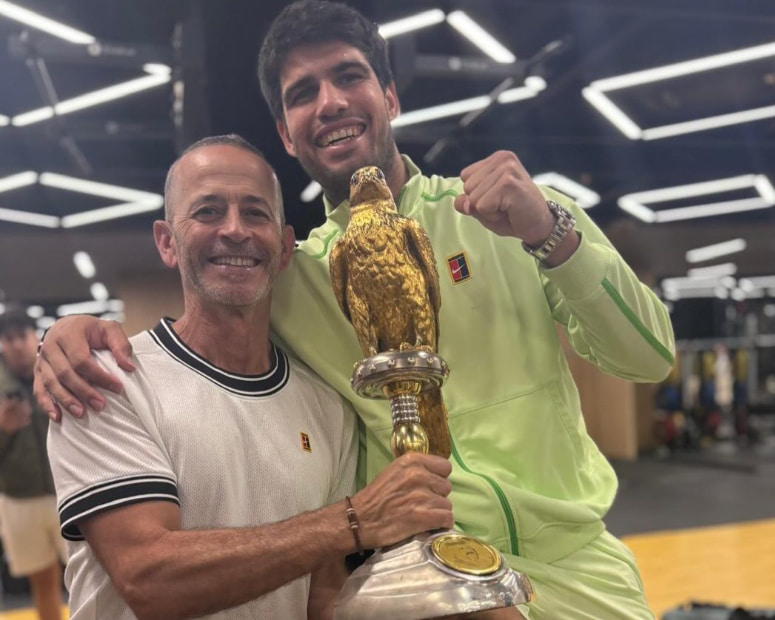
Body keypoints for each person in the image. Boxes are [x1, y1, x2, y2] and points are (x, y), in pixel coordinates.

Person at [34, 2, 676, 618]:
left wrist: (554, 236)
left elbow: (649, 358)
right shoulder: (300, 272)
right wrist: (68, 336)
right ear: (286, 134)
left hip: (580, 570)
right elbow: (212, 295)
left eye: (348, 76)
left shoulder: (514, 218)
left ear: (389, 96)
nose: (331, 102)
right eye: (302, 92)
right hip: (431, 587)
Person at [46, 135, 455, 620]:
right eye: (207, 212)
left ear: (284, 249)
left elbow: (320, 595)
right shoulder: (103, 380)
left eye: (256, 213)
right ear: (166, 242)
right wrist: (355, 519)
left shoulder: (327, 407)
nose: (235, 230)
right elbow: (150, 577)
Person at [0, 310, 66, 620]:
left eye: (21, 336)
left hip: (67, 491)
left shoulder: (60, 373)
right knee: (43, 584)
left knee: (95, 575)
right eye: (8, 338)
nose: (16, 345)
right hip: (18, 498)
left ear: (34, 338)